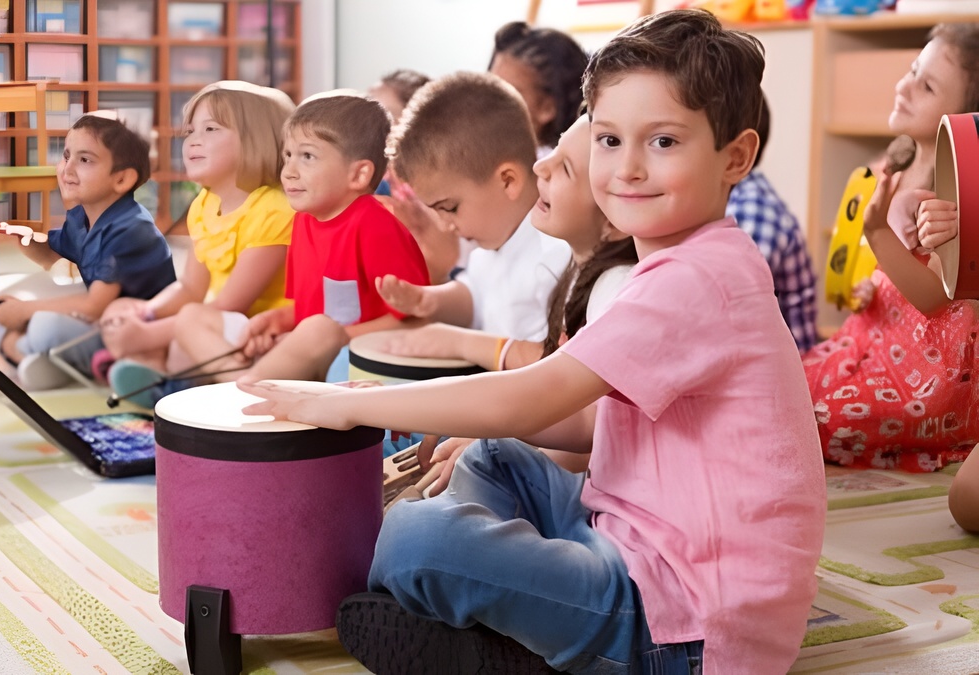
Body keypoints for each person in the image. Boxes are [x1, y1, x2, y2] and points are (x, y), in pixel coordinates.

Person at [239, 10, 826, 673]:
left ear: (735, 157)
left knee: (415, 539)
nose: (627, 168)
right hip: (630, 537)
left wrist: (346, 403)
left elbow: (533, 396)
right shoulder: (680, 261)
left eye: (663, 142)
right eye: (608, 140)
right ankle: (506, 615)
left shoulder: (697, 278)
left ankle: (505, 648)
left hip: (685, 623)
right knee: (495, 456)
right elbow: (577, 417)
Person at [379, 115, 637, 476]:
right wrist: (430, 302)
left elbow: (573, 414)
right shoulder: (561, 262)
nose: (540, 165)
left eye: (564, 167)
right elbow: (476, 292)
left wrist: (494, 435)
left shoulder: (572, 266)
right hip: (526, 427)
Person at [162, 92, 429, 390]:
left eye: (307, 157)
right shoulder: (302, 220)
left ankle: (245, 389)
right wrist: (278, 320)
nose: (288, 171)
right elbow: (310, 308)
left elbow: (417, 318)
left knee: (320, 330)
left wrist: (335, 336)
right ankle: (243, 383)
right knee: (192, 317)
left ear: (359, 174)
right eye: (287, 155)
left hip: (350, 359)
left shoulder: (376, 226)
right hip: (299, 350)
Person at [803, 22, 979, 473]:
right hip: (872, 339)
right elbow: (889, 279)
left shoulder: (957, 198)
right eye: (911, 70)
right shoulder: (891, 170)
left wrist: (879, 232)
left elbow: (934, 298)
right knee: (788, 386)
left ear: (964, 118)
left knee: (819, 419)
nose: (904, 86)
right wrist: (869, 290)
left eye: (927, 86)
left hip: (927, 372)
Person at [98, 81, 296, 407]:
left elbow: (231, 305)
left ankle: (167, 385)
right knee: (123, 309)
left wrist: (147, 334)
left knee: (181, 338)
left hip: (264, 337)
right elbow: (190, 287)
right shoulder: (203, 205)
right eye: (190, 131)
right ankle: (160, 378)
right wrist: (146, 312)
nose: (193, 140)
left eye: (211, 128)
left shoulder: (274, 209)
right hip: (217, 324)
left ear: (255, 140)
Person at [376, 71, 573, 345]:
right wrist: (429, 301)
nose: (445, 225)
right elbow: (473, 298)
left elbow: (555, 365)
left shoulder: (555, 256)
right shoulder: (489, 248)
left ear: (508, 181)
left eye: (450, 207)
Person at [0, 114, 175, 390]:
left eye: (84, 160)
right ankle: (44, 359)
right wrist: (27, 238)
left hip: (132, 333)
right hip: (96, 321)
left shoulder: (131, 229)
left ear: (121, 179)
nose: (67, 168)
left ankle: (20, 351)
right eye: (65, 156)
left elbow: (94, 307)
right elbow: (50, 257)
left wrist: (25, 311)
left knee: (44, 326)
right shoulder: (80, 217)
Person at [726, 96, 818, 352]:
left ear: (737, 153)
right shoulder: (728, 202)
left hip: (783, 374)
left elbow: (726, 314)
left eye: (670, 141)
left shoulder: (752, 211)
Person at [488, 21, 588, 155]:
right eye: (490, 85)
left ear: (547, 108)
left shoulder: (546, 171)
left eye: (506, 93)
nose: (489, 101)